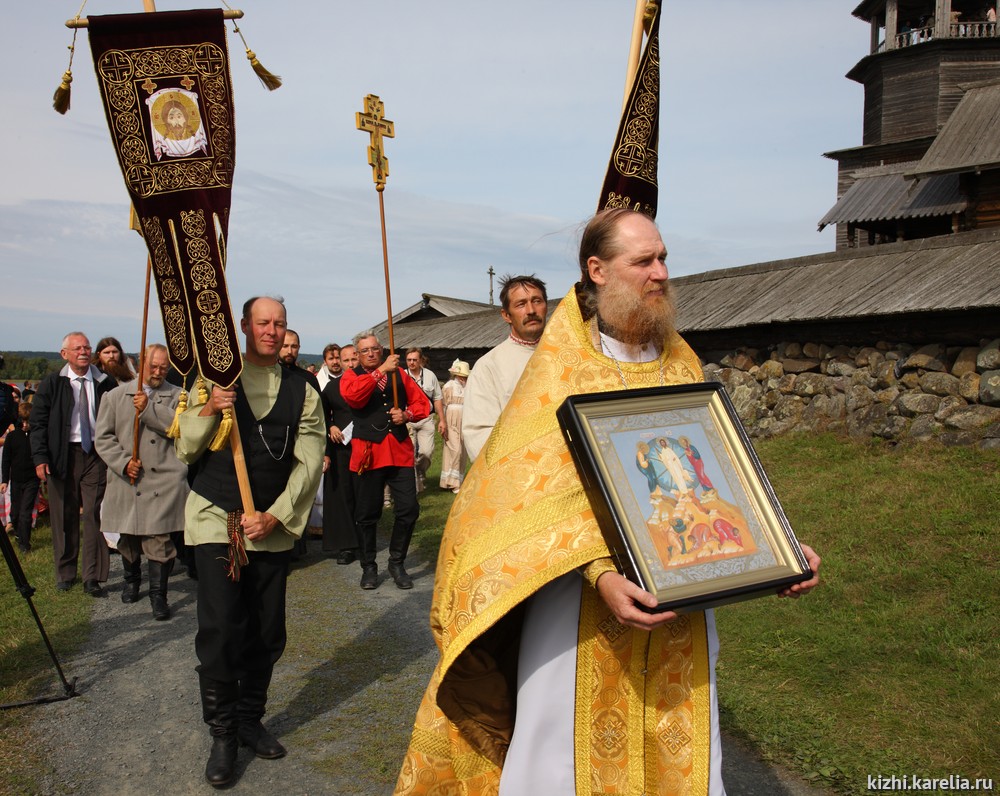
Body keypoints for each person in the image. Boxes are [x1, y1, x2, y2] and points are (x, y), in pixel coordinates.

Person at [395, 209, 821, 796]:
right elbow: (526, 502)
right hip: (578, 611)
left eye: (664, 258)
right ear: (597, 270)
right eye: (643, 261)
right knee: (566, 761)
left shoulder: (681, 361)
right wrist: (599, 573)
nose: (660, 273)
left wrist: (776, 547)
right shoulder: (559, 371)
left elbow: (712, 478)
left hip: (679, 606)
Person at [175, 296, 324, 787]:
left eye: (279, 323)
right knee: (221, 628)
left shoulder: (303, 387)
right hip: (216, 515)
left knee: (266, 631)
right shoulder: (212, 377)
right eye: (263, 322)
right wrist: (209, 408)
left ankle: (248, 720)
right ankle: (222, 735)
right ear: (243, 325)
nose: (272, 330)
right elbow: (186, 448)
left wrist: (277, 517)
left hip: (269, 526)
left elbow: (309, 459)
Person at [94, 344, 189, 620]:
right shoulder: (114, 396)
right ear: (142, 364)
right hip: (127, 479)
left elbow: (181, 428)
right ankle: (132, 579)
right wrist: (123, 462)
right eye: (153, 367)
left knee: (159, 541)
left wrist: (148, 409)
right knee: (128, 537)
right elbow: (103, 438)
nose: (158, 372)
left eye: (163, 368)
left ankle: (159, 596)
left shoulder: (177, 395)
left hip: (162, 481)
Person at [340, 332, 430, 590]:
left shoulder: (400, 374)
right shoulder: (351, 376)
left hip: (399, 451)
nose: (370, 353)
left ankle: (397, 562)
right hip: (368, 452)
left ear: (381, 349)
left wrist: (407, 414)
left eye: (375, 349)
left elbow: (422, 403)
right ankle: (369, 567)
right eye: (365, 350)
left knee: (409, 509)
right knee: (367, 514)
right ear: (357, 354)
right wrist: (381, 370)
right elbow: (355, 397)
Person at [30, 332, 117, 594]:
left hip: (96, 455)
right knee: (64, 514)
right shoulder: (52, 383)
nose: (83, 351)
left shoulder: (104, 381)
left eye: (87, 347)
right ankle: (66, 573)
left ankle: (93, 576)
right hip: (61, 456)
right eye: (77, 348)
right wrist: (40, 457)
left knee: (94, 514)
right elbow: (37, 424)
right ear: (64, 354)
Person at [462, 274, 548, 461]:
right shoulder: (489, 366)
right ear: (506, 315)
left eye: (537, 301)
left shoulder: (566, 354)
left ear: (546, 307)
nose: (531, 310)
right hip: (520, 472)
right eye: (521, 304)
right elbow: (479, 434)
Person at [319, 343, 360, 563]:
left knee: (363, 495)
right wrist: (330, 426)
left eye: (354, 359)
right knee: (343, 495)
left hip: (367, 446)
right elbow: (321, 414)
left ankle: (364, 539)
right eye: (346, 361)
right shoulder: (332, 388)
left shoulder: (372, 385)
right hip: (342, 448)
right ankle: (346, 545)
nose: (351, 364)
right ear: (340, 364)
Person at [404, 348, 446, 493]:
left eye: (415, 360)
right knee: (409, 454)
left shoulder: (430, 376)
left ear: (421, 360)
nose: (411, 363)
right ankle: (414, 484)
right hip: (407, 420)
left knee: (426, 452)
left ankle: (421, 470)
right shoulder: (402, 375)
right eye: (409, 360)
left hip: (426, 418)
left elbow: (437, 398)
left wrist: (442, 420)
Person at [1, 402, 40, 554]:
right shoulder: (12, 437)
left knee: (25, 513)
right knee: (15, 513)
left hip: (32, 479)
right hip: (16, 479)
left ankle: (25, 544)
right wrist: (4, 480)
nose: (25, 425)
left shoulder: (36, 436)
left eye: (28, 422)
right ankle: (18, 534)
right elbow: (6, 460)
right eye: (23, 421)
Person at [439, 359, 469, 493]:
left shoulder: (469, 387)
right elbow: (443, 404)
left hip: (465, 418)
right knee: (455, 449)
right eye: (461, 375)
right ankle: (452, 482)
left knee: (462, 449)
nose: (463, 378)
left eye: (465, 376)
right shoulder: (449, 386)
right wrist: (442, 421)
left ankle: (455, 480)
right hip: (451, 419)